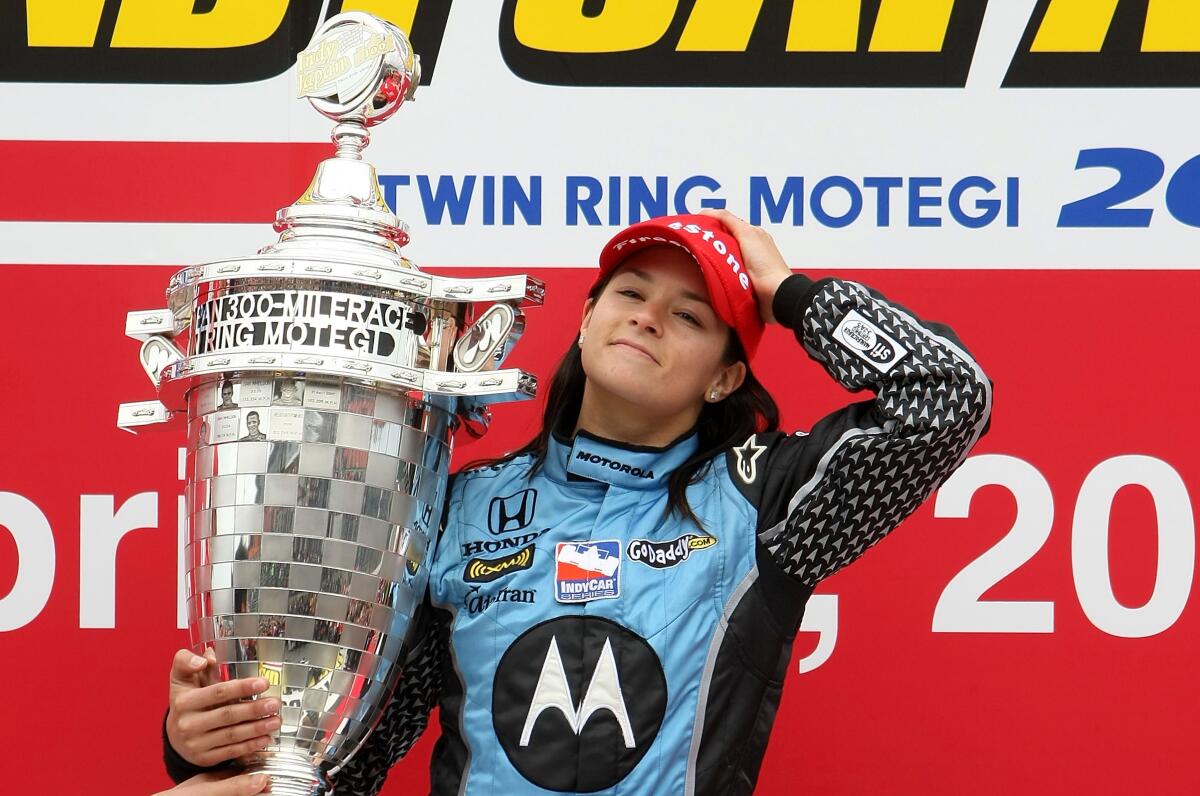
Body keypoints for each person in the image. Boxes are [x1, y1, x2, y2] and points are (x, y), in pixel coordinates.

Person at [162, 211, 992, 794]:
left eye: (691, 314)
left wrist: (788, 294)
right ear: (588, 317)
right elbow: (345, 761)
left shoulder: (765, 502)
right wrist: (213, 744)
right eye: (630, 293)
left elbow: (950, 396)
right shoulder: (456, 508)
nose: (649, 319)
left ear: (726, 377)